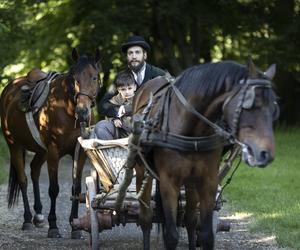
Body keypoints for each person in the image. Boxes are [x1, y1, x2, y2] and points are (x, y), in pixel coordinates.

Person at [97, 35, 166, 118]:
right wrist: (119, 110)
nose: (134, 56)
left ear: (145, 55)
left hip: (154, 125)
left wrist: (129, 108)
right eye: (130, 53)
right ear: (127, 56)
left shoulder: (159, 74)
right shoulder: (120, 77)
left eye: (137, 52)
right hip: (126, 126)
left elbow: (172, 99)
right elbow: (102, 106)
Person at [90, 71, 137, 140]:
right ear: (118, 90)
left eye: (129, 88)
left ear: (135, 87)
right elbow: (109, 113)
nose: (127, 92)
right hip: (120, 132)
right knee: (100, 126)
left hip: (135, 132)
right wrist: (114, 120)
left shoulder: (139, 98)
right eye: (123, 89)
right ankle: (111, 147)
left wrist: (126, 109)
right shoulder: (115, 100)